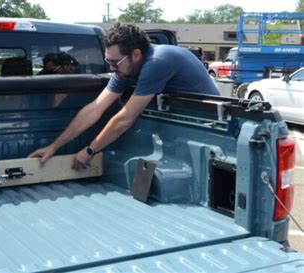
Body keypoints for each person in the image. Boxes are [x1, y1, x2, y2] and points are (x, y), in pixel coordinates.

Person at [29, 23, 219, 169]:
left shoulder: (158, 61)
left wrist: (90, 150)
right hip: (182, 125)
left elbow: (124, 119)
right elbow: (95, 108)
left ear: (136, 55)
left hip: (209, 129)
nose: (111, 68)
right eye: (108, 61)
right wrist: (54, 147)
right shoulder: (126, 69)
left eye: (114, 62)